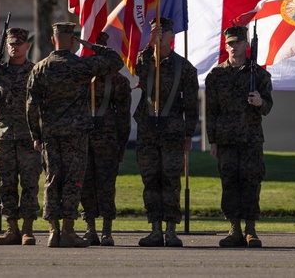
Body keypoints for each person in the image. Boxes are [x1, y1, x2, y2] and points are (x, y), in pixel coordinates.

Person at [26, 22, 124, 248]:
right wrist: (91, 45)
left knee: (52, 180)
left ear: (52, 40)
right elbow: (115, 62)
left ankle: (53, 232)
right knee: (73, 181)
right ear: (72, 41)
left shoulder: (40, 68)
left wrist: (36, 135)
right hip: (76, 134)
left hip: (50, 134)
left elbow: (31, 105)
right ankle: (68, 231)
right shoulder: (81, 66)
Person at [205, 25, 274, 248]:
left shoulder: (260, 74)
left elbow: (268, 106)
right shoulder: (216, 75)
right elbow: (211, 111)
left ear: (247, 45)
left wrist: (260, 102)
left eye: (237, 43)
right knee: (229, 183)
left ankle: (250, 230)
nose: (233, 47)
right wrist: (212, 140)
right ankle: (234, 229)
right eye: (230, 43)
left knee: (251, 182)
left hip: (251, 139)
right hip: (226, 140)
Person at [133, 16, 199, 247]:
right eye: (155, 32)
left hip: (172, 132)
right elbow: (139, 69)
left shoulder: (185, 68)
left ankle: (171, 231)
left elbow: (192, 105)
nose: (159, 36)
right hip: (148, 131)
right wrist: (150, 44)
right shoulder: (146, 61)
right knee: (150, 179)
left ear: (172, 36)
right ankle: (155, 230)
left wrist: (189, 134)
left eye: (163, 33)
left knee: (171, 180)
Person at [0, 27, 42, 245]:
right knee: (5, 183)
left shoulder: (36, 72)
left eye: (18, 44)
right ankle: (11, 229)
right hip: (4, 137)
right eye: (11, 44)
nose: (14, 48)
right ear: (6, 47)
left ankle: (27, 230)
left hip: (28, 136)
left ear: (27, 46)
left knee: (29, 184)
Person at [80, 33, 133, 246]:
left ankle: (107, 230)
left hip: (107, 138)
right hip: (84, 136)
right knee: (85, 182)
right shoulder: (81, 77)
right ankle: (90, 228)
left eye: (101, 49)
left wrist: (122, 142)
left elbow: (123, 114)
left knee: (106, 184)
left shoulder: (118, 81)